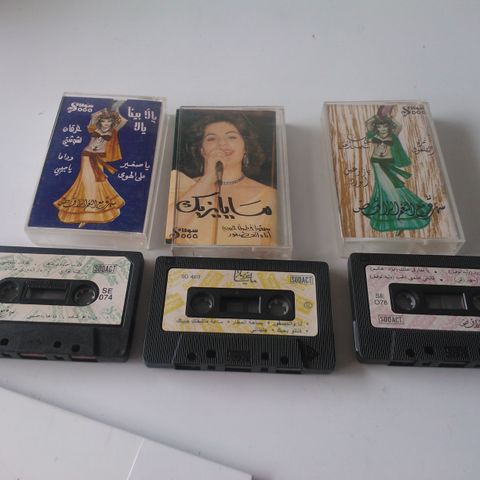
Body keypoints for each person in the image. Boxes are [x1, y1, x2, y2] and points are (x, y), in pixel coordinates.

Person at [166, 112, 277, 245]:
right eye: (211, 139)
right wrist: (208, 178)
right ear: (202, 150)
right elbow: (167, 230)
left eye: (232, 137)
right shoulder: (179, 182)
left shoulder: (270, 196)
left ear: (245, 147)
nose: (222, 143)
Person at [359, 106, 432, 232]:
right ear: (377, 128)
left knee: (392, 187)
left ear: (389, 127)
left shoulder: (393, 135)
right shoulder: (374, 134)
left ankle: (401, 217)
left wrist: (389, 117)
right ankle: (394, 218)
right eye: (380, 127)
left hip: (388, 163)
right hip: (376, 162)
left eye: (385, 126)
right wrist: (378, 116)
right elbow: (368, 123)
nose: (382, 129)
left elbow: (398, 126)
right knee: (383, 188)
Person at [54, 104, 127, 227]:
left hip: (98, 158)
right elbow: (94, 115)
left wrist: (117, 106)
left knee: (97, 182)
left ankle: (90, 214)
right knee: (86, 182)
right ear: (100, 121)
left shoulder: (113, 131)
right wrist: (107, 108)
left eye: (109, 121)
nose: (106, 124)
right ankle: (85, 214)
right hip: (87, 157)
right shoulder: (94, 128)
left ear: (112, 122)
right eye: (103, 121)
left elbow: (123, 121)